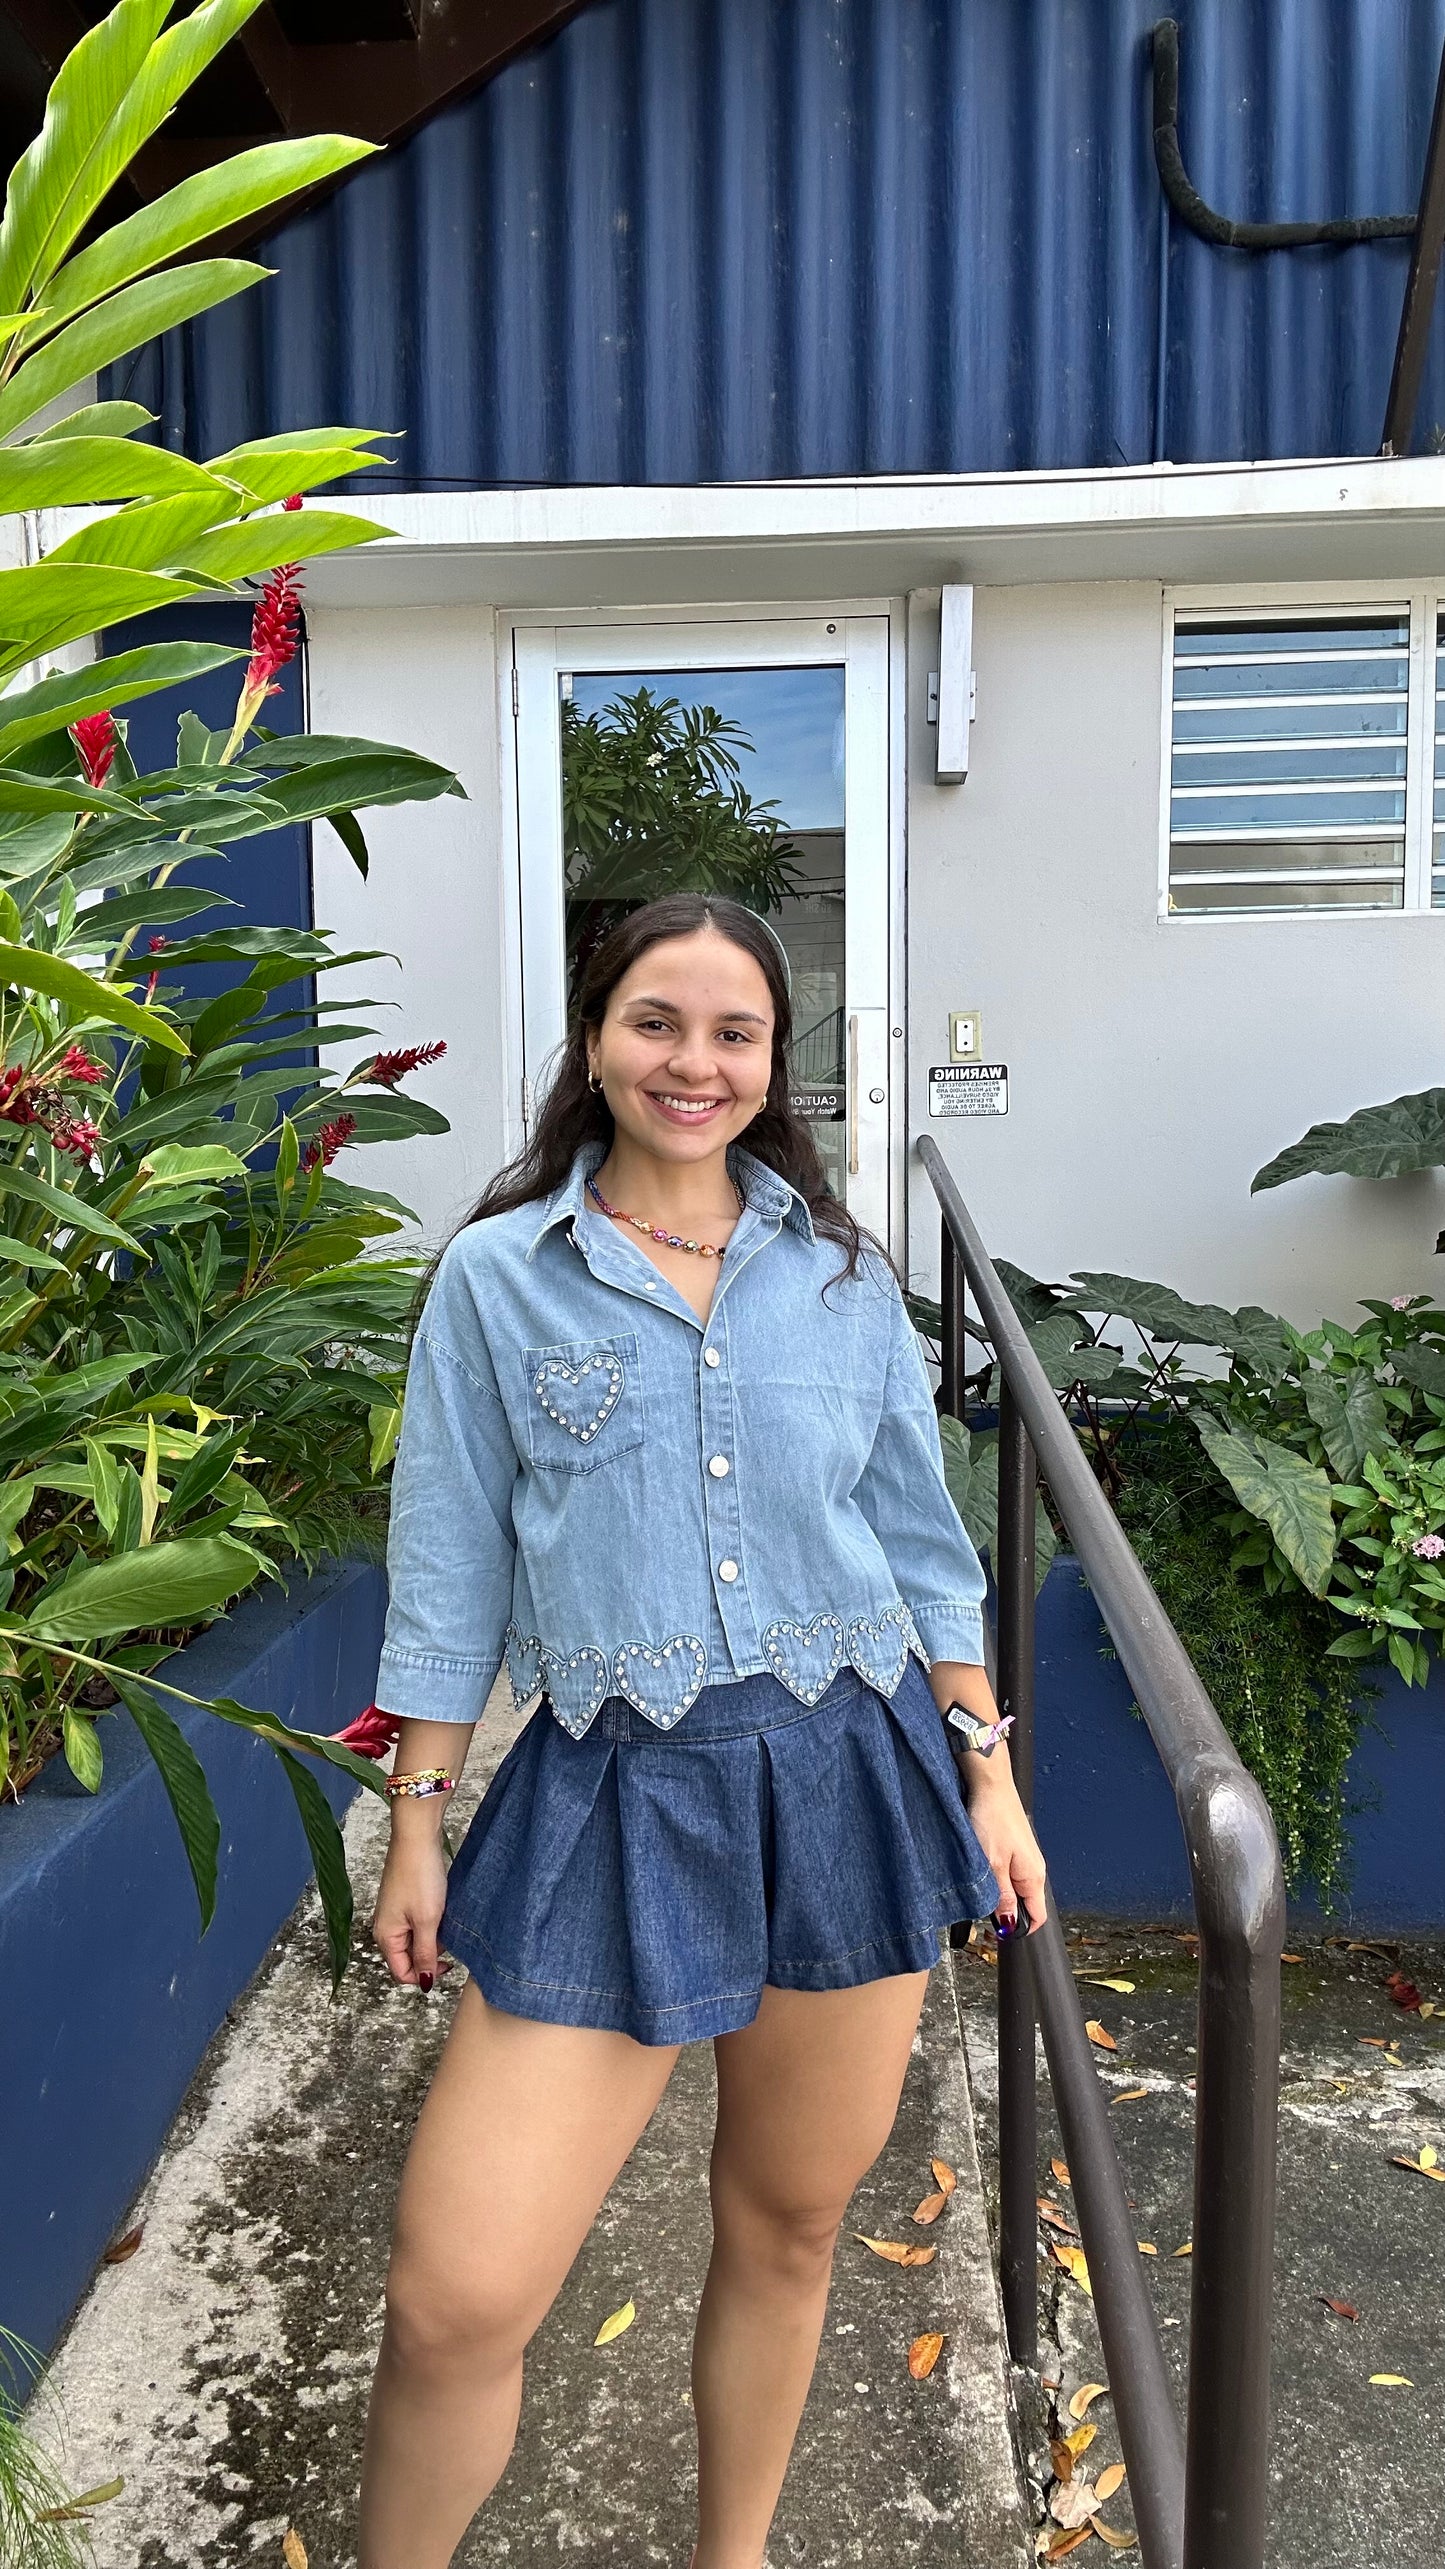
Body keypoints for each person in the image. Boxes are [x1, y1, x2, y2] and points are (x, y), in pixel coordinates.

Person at [356, 891, 1047, 2569]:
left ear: (773, 1062)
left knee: (792, 2219)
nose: (694, 1060)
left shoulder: (839, 1276)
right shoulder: (498, 1283)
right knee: (453, 2295)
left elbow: (918, 1544)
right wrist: (418, 1823)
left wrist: (990, 1773)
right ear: (594, 1037)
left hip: (846, 1777)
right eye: (656, 1020)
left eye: (734, 1030)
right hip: (610, 1793)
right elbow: (444, 1577)